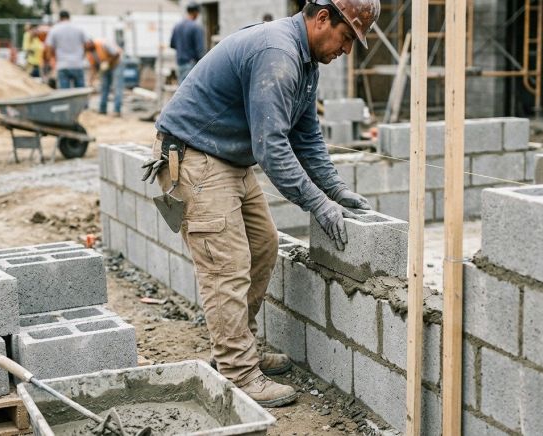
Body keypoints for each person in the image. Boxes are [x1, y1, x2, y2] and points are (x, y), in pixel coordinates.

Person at [142, 0, 380, 407]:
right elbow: (271, 148)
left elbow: (305, 138)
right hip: (196, 157)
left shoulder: (305, 63)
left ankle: (240, 349)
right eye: (347, 37)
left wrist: (336, 190)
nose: (347, 50)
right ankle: (238, 373)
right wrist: (318, 205)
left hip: (227, 156)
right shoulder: (279, 53)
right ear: (323, 18)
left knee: (264, 246)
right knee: (227, 266)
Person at [45, 10, 88, 89]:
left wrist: (51, 59)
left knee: (65, 93)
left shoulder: (54, 29)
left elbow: (49, 47)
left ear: (60, 18)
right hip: (77, 64)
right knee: (80, 93)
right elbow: (87, 44)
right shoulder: (78, 28)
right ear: (69, 17)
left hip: (62, 65)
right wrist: (82, 55)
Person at [85, 39, 123, 116]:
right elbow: (94, 67)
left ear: (91, 43)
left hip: (116, 64)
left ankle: (117, 110)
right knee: (104, 87)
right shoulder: (89, 52)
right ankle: (102, 109)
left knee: (117, 86)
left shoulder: (103, 44)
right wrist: (91, 80)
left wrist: (108, 62)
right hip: (104, 67)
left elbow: (117, 53)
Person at [169, 2, 205, 83]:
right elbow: (200, 51)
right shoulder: (196, 27)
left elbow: (172, 45)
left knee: (182, 89)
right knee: (190, 91)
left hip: (179, 63)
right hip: (191, 64)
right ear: (195, 12)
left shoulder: (177, 26)